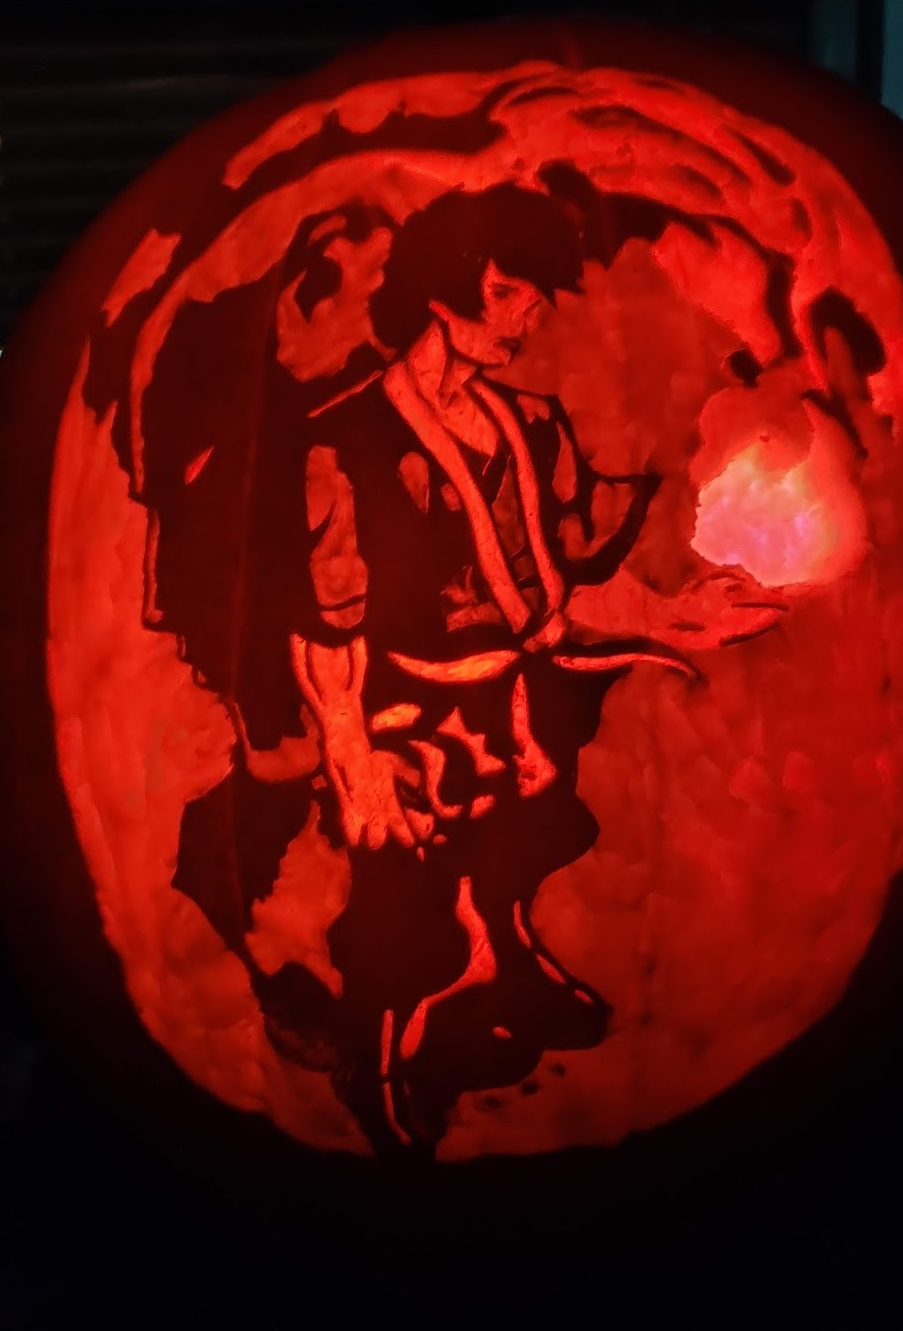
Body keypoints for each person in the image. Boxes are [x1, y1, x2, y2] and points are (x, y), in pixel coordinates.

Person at [171, 182, 783, 1155]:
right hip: (398, 700)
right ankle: (381, 1052)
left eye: (535, 301)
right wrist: (351, 754)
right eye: (509, 294)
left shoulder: (529, 424)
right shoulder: (347, 440)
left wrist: (671, 608)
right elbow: (324, 617)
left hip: (512, 688)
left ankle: (507, 965)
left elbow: (564, 573)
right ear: (447, 288)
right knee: (402, 902)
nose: (526, 320)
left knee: (514, 854)